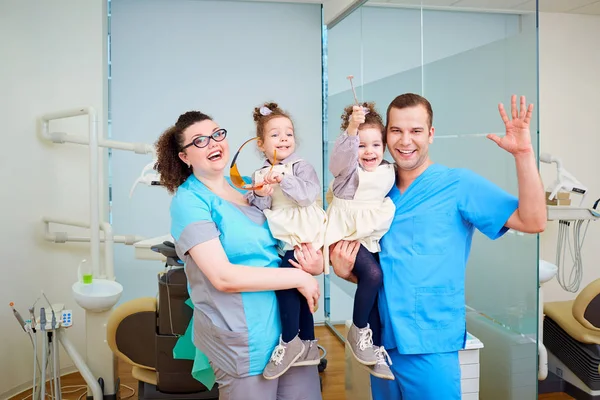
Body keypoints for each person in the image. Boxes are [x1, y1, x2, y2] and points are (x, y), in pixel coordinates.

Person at [329, 93, 546, 399]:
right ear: (386, 134)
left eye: (416, 131)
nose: (406, 141)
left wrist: (523, 154)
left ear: (431, 134)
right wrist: (346, 272)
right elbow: (383, 266)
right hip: (381, 346)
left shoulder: (458, 185)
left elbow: (534, 220)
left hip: (432, 345)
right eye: (396, 131)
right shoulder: (376, 192)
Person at [154, 110, 324, 400]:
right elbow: (223, 277)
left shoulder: (251, 184)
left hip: (289, 333)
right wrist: (298, 277)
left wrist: (314, 263)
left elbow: (295, 235)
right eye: (199, 141)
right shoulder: (189, 201)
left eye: (217, 134)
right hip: (245, 340)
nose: (213, 143)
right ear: (184, 157)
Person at [245, 102, 328, 380]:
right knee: (297, 289)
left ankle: (290, 339)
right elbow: (258, 213)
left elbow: (306, 196)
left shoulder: (300, 166)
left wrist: (284, 178)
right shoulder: (258, 175)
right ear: (261, 143)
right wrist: (263, 192)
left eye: (289, 134)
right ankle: (308, 343)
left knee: (286, 282)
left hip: (304, 233)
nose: (284, 139)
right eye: (275, 134)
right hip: (283, 236)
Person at [323, 102, 395, 380]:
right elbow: (337, 161)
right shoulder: (348, 173)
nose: (369, 152)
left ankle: (374, 350)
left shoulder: (388, 169)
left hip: (367, 235)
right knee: (374, 275)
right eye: (360, 146)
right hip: (343, 234)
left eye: (376, 145)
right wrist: (352, 129)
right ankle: (358, 330)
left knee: (376, 289)